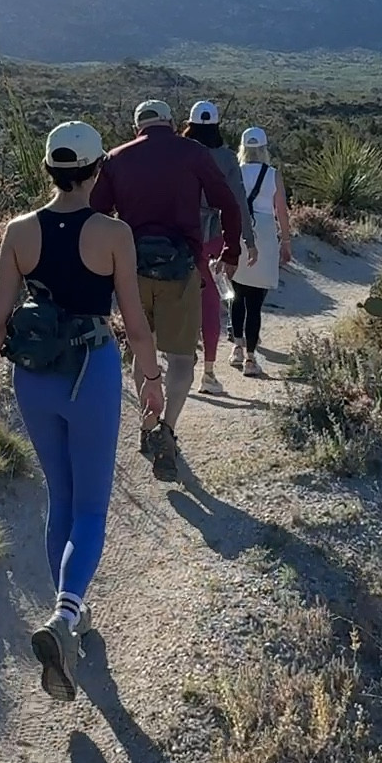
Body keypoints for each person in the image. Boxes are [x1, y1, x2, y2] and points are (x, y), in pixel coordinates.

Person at [0, 121, 164, 703]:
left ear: (48, 170)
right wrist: (150, 381)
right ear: (97, 171)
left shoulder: (19, 233)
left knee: (62, 500)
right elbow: (135, 322)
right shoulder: (113, 234)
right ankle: (66, 617)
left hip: (35, 378)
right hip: (90, 373)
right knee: (93, 506)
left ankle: (68, 610)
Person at [90, 99, 244, 481]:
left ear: (137, 126)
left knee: (143, 351)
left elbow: (94, 214)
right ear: (172, 123)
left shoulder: (116, 158)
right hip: (182, 269)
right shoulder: (193, 152)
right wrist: (231, 250)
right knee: (180, 359)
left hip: (132, 270)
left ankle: (147, 424)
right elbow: (229, 204)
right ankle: (168, 430)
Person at [181, 100, 255, 395]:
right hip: (213, 237)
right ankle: (208, 373)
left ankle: (180, 363)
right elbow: (237, 201)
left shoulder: (179, 152)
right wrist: (247, 239)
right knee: (210, 303)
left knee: (180, 301)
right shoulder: (226, 158)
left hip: (180, 234)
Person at [229, 126, 292, 378]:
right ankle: (251, 358)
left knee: (237, 291)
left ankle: (236, 346)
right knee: (255, 300)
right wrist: (285, 241)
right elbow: (282, 211)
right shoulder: (273, 174)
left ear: (243, 148)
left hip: (240, 229)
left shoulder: (236, 173)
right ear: (264, 149)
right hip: (265, 232)